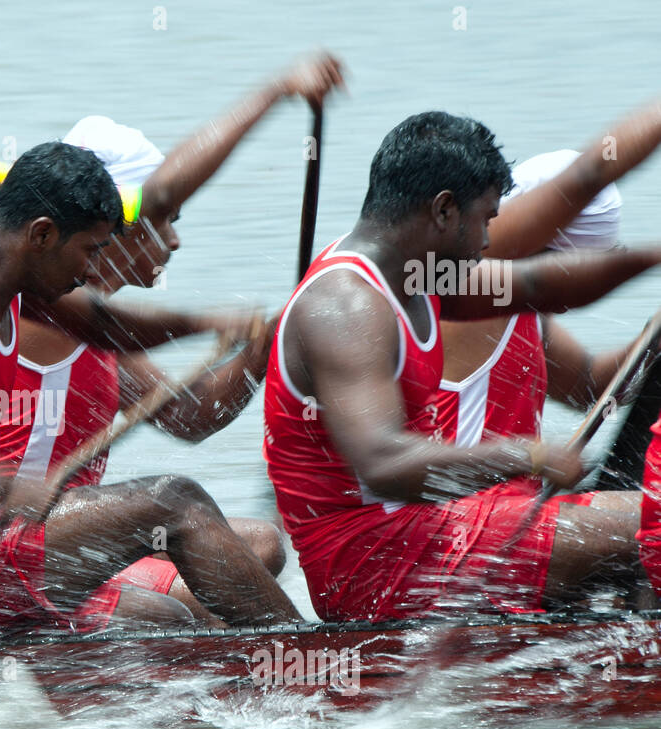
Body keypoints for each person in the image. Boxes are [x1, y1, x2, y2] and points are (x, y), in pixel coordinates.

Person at [0, 141, 299, 640]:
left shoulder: (13, 286)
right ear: (42, 234)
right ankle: (312, 659)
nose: (90, 272)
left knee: (169, 621)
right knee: (174, 501)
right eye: (90, 251)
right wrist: (1, 481)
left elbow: (111, 327)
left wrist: (214, 324)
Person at [264, 111, 661, 623]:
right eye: (487, 219)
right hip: (373, 562)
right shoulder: (347, 306)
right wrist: (527, 454)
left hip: (422, 529)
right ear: (445, 210)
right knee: (652, 520)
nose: (491, 241)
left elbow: (542, 286)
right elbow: (383, 464)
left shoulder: (414, 274)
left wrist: (651, 259)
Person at [0, 54, 343, 629]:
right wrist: (278, 89)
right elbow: (156, 194)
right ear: (115, 225)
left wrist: (261, 351)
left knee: (259, 547)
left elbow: (192, 415)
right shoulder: (38, 299)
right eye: (169, 221)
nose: (177, 241)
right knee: (175, 604)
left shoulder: (104, 332)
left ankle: (241, 656)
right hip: (0, 540)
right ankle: (297, 659)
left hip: (69, 541)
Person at [433, 99, 661, 452]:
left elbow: (589, 388)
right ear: (527, 248)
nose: (582, 291)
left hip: (512, 497)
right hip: (461, 502)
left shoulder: (523, 310)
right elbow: (589, 174)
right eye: (574, 272)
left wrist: (651, 340)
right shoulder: (471, 280)